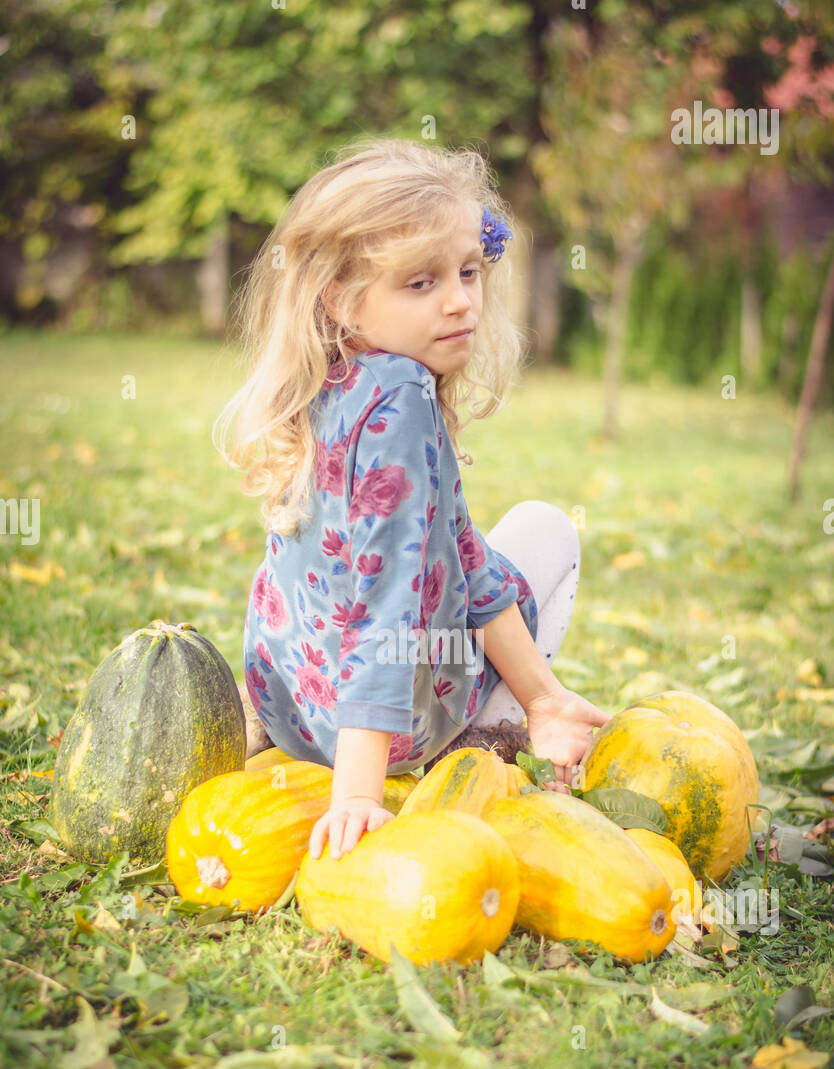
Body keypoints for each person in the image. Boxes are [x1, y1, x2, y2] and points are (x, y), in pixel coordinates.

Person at [213, 137, 610, 863]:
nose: (460, 300)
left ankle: (534, 703)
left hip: (294, 709)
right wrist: (359, 796)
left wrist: (547, 697)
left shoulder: (328, 375)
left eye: (466, 271)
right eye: (420, 284)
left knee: (474, 548)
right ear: (339, 296)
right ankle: (481, 726)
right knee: (545, 531)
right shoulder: (400, 398)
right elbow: (386, 606)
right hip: (379, 735)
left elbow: (459, 550)